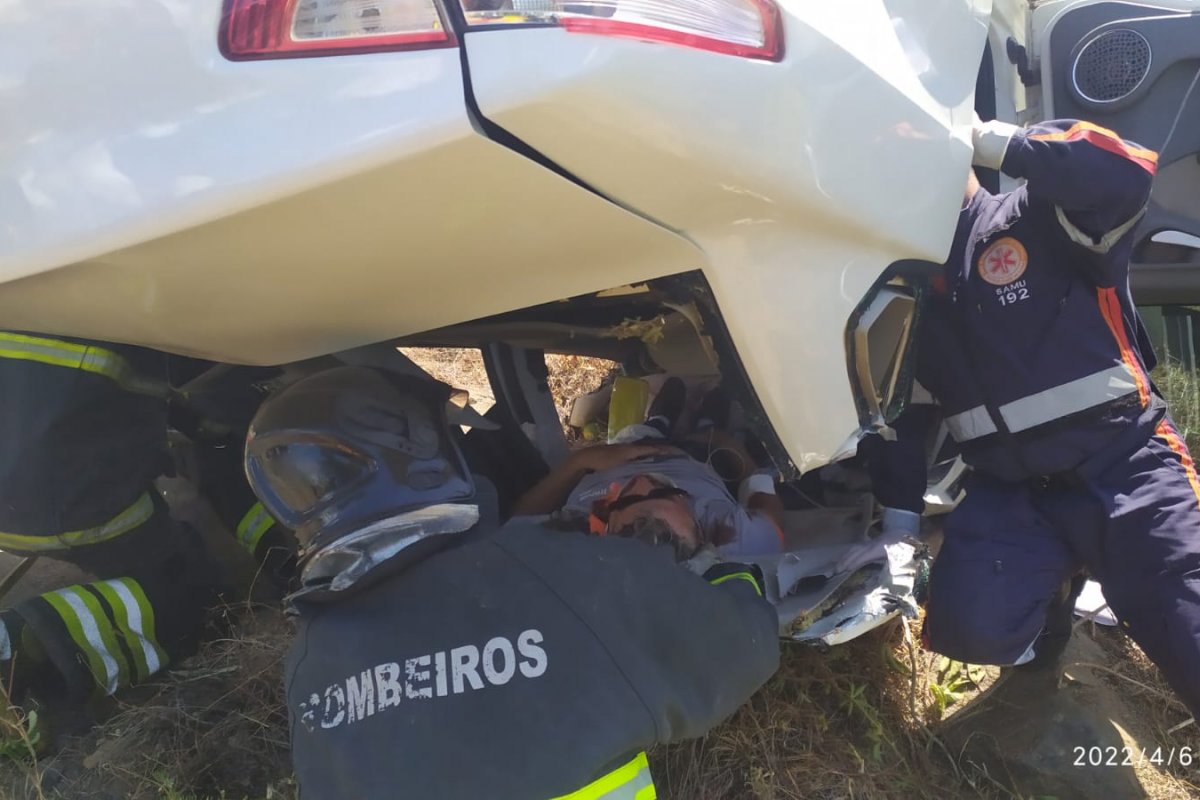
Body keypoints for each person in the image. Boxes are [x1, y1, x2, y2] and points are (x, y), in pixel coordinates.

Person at [245, 366, 780, 800]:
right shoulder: (570, 577)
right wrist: (725, 568)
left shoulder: (311, 664)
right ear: (424, 466)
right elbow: (743, 640)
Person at [865, 116, 1200, 718]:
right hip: (1014, 492)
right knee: (966, 629)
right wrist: (897, 522)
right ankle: (1058, 603)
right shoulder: (907, 282)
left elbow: (1126, 171)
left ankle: (1103, 573)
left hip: (1125, 464)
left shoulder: (1035, 214)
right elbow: (904, 415)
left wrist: (994, 138)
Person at [0, 332, 284, 729]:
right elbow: (198, 402)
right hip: (64, 506)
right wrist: (215, 431)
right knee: (199, 599)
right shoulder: (126, 300)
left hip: (14, 494)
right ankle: (28, 641)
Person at [512, 379, 786, 558]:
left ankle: (658, 421)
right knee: (712, 423)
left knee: (649, 425)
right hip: (696, 460)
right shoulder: (727, 535)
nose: (643, 481)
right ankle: (702, 424)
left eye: (626, 499)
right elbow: (770, 516)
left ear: (606, 529)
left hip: (624, 451)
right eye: (666, 493)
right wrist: (732, 447)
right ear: (699, 532)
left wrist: (582, 461)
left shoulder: (576, 534)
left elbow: (518, 520)